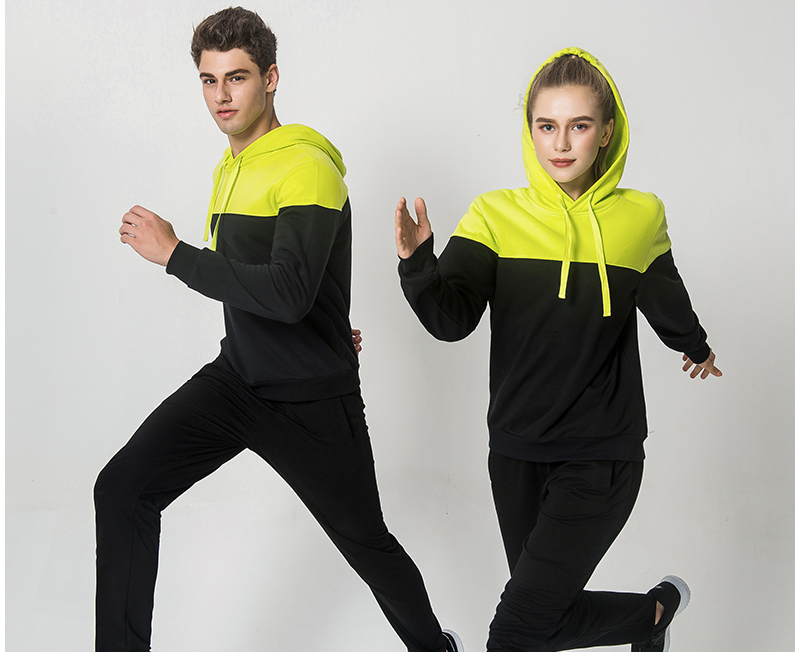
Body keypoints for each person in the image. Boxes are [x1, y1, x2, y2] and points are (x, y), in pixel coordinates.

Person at [95, 7, 463, 652]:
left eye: (236, 78)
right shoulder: (230, 169)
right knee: (122, 489)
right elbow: (276, 283)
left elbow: (290, 293)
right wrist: (328, 317)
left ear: (270, 78)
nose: (221, 96)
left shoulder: (308, 168)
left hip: (311, 400)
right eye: (209, 80)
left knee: (368, 546)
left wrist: (175, 254)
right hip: (238, 379)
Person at [394, 47, 721, 652]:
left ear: (606, 133)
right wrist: (417, 266)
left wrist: (693, 344)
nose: (561, 143)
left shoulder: (640, 215)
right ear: (531, 131)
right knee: (539, 622)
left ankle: (652, 617)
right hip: (514, 451)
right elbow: (452, 320)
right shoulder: (493, 214)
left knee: (515, 631)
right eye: (546, 125)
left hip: (602, 453)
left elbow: (664, 294)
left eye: (579, 125)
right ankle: (651, 616)